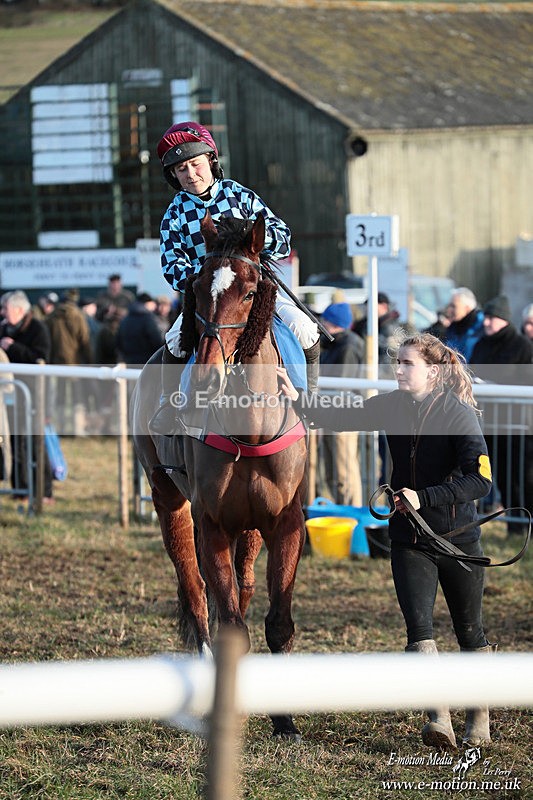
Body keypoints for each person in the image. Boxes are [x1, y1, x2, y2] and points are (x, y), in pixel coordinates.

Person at [278, 332, 494, 750]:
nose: (397, 370)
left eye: (406, 364)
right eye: (397, 363)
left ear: (433, 371)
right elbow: (343, 417)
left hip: (458, 541)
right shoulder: (392, 404)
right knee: (420, 634)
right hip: (409, 539)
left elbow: (481, 480)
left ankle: (479, 718)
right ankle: (439, 719)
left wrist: (425, 496)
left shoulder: (459, 414)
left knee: (471, 634)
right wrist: (296, 398)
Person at [149, 120, 319, 434]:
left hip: (255, 288)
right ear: (173, 175)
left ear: (210, 161)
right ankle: (169, 406)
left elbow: (282, 236)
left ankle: (308, 403)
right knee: (173, 341)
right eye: (181, 169)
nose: (191, 174)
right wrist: (207, 281)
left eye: (195, 164)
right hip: (206, 299)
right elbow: (172, 266)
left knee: (305, 328)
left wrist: (251, 245)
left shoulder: (239, 195)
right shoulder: (174, 213)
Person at [469, 295, 533, 535]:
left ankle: (527, 525)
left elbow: (526, 382)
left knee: (524, 478)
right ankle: (514, 528)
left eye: (492, 318)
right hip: (491, 422)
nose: (486, 322)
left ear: (504, 319)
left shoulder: (522, 346)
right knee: (504, 478)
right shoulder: (482, 344)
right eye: (486, 317)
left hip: (519, 424)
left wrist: (494, 384)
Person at [0, 290, 54, 503]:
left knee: (35, 442)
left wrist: (14, 347)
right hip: (11, 395)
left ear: (19, 310)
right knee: (14, 441)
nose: (3, 313)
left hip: (34, 394)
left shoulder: (38, 328)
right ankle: (20, 490)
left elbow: (40, 359)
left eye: (6, 309)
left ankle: (44, 491)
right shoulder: (4, 327)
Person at [318, 302, 365, 506]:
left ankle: (351, 515)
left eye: (324, 320)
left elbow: (342, 385)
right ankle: (339, 511)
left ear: (334, 324)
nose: (320, 323)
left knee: (344, 470)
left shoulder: (349, 345)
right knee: (332, 470)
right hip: (330, 412)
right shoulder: (332, 343)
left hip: (344, 414)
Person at [115, 292, 164, 366]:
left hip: (129, 361)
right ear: (147, 303)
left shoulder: (125, 319)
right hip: (147, 361)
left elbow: (119, 341)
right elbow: (156, 340)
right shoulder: (148, 319)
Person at [443, 287, 484, 362]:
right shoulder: (453, 326)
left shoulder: (483, 327)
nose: (449, 310)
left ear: (467, 308)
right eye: (449, 306)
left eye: (453, 306)